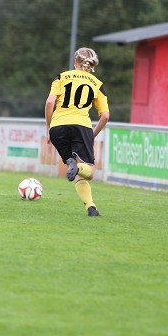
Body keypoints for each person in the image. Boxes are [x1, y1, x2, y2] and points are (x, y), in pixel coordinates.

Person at [45, 47, 109, 217]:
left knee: (72, 165)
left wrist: (48, 128)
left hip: (58, 127)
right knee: (88, 172)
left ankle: (91, 208)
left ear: (75, 62)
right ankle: (78, 166)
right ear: (91, 65)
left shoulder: (61, 77)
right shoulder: (97, 84)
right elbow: (105, 116)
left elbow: (50, 102)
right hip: (82, 126)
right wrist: (92, 135)